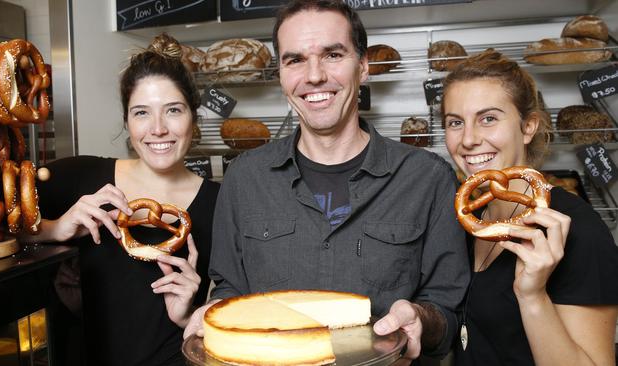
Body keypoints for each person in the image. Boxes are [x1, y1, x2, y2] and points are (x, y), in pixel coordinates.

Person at [183, 0, 470, 362]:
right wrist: (213, 314)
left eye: (333, 55)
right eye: (295, 59)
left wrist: (420, 320)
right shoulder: (244, 178)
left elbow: (446, 309)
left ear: (363, 66)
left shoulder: (428, 178)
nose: (314, 75)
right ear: (281, 74)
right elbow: (229, 288)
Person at [21, 34, 220, 366]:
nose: (157, 128)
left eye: (173, 110)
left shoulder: (222, 203)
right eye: (141, 112)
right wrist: (55, 230)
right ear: (127, 122)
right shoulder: (82, 177)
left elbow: (238, 312)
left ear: (193, 118)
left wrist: (189, 318)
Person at [442, 49, 618, 365]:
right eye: (455, 122)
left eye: (488, 119)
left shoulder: (578, 231)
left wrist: (533, 296)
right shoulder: (465, 220)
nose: (468, 139)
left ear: (528, 127)